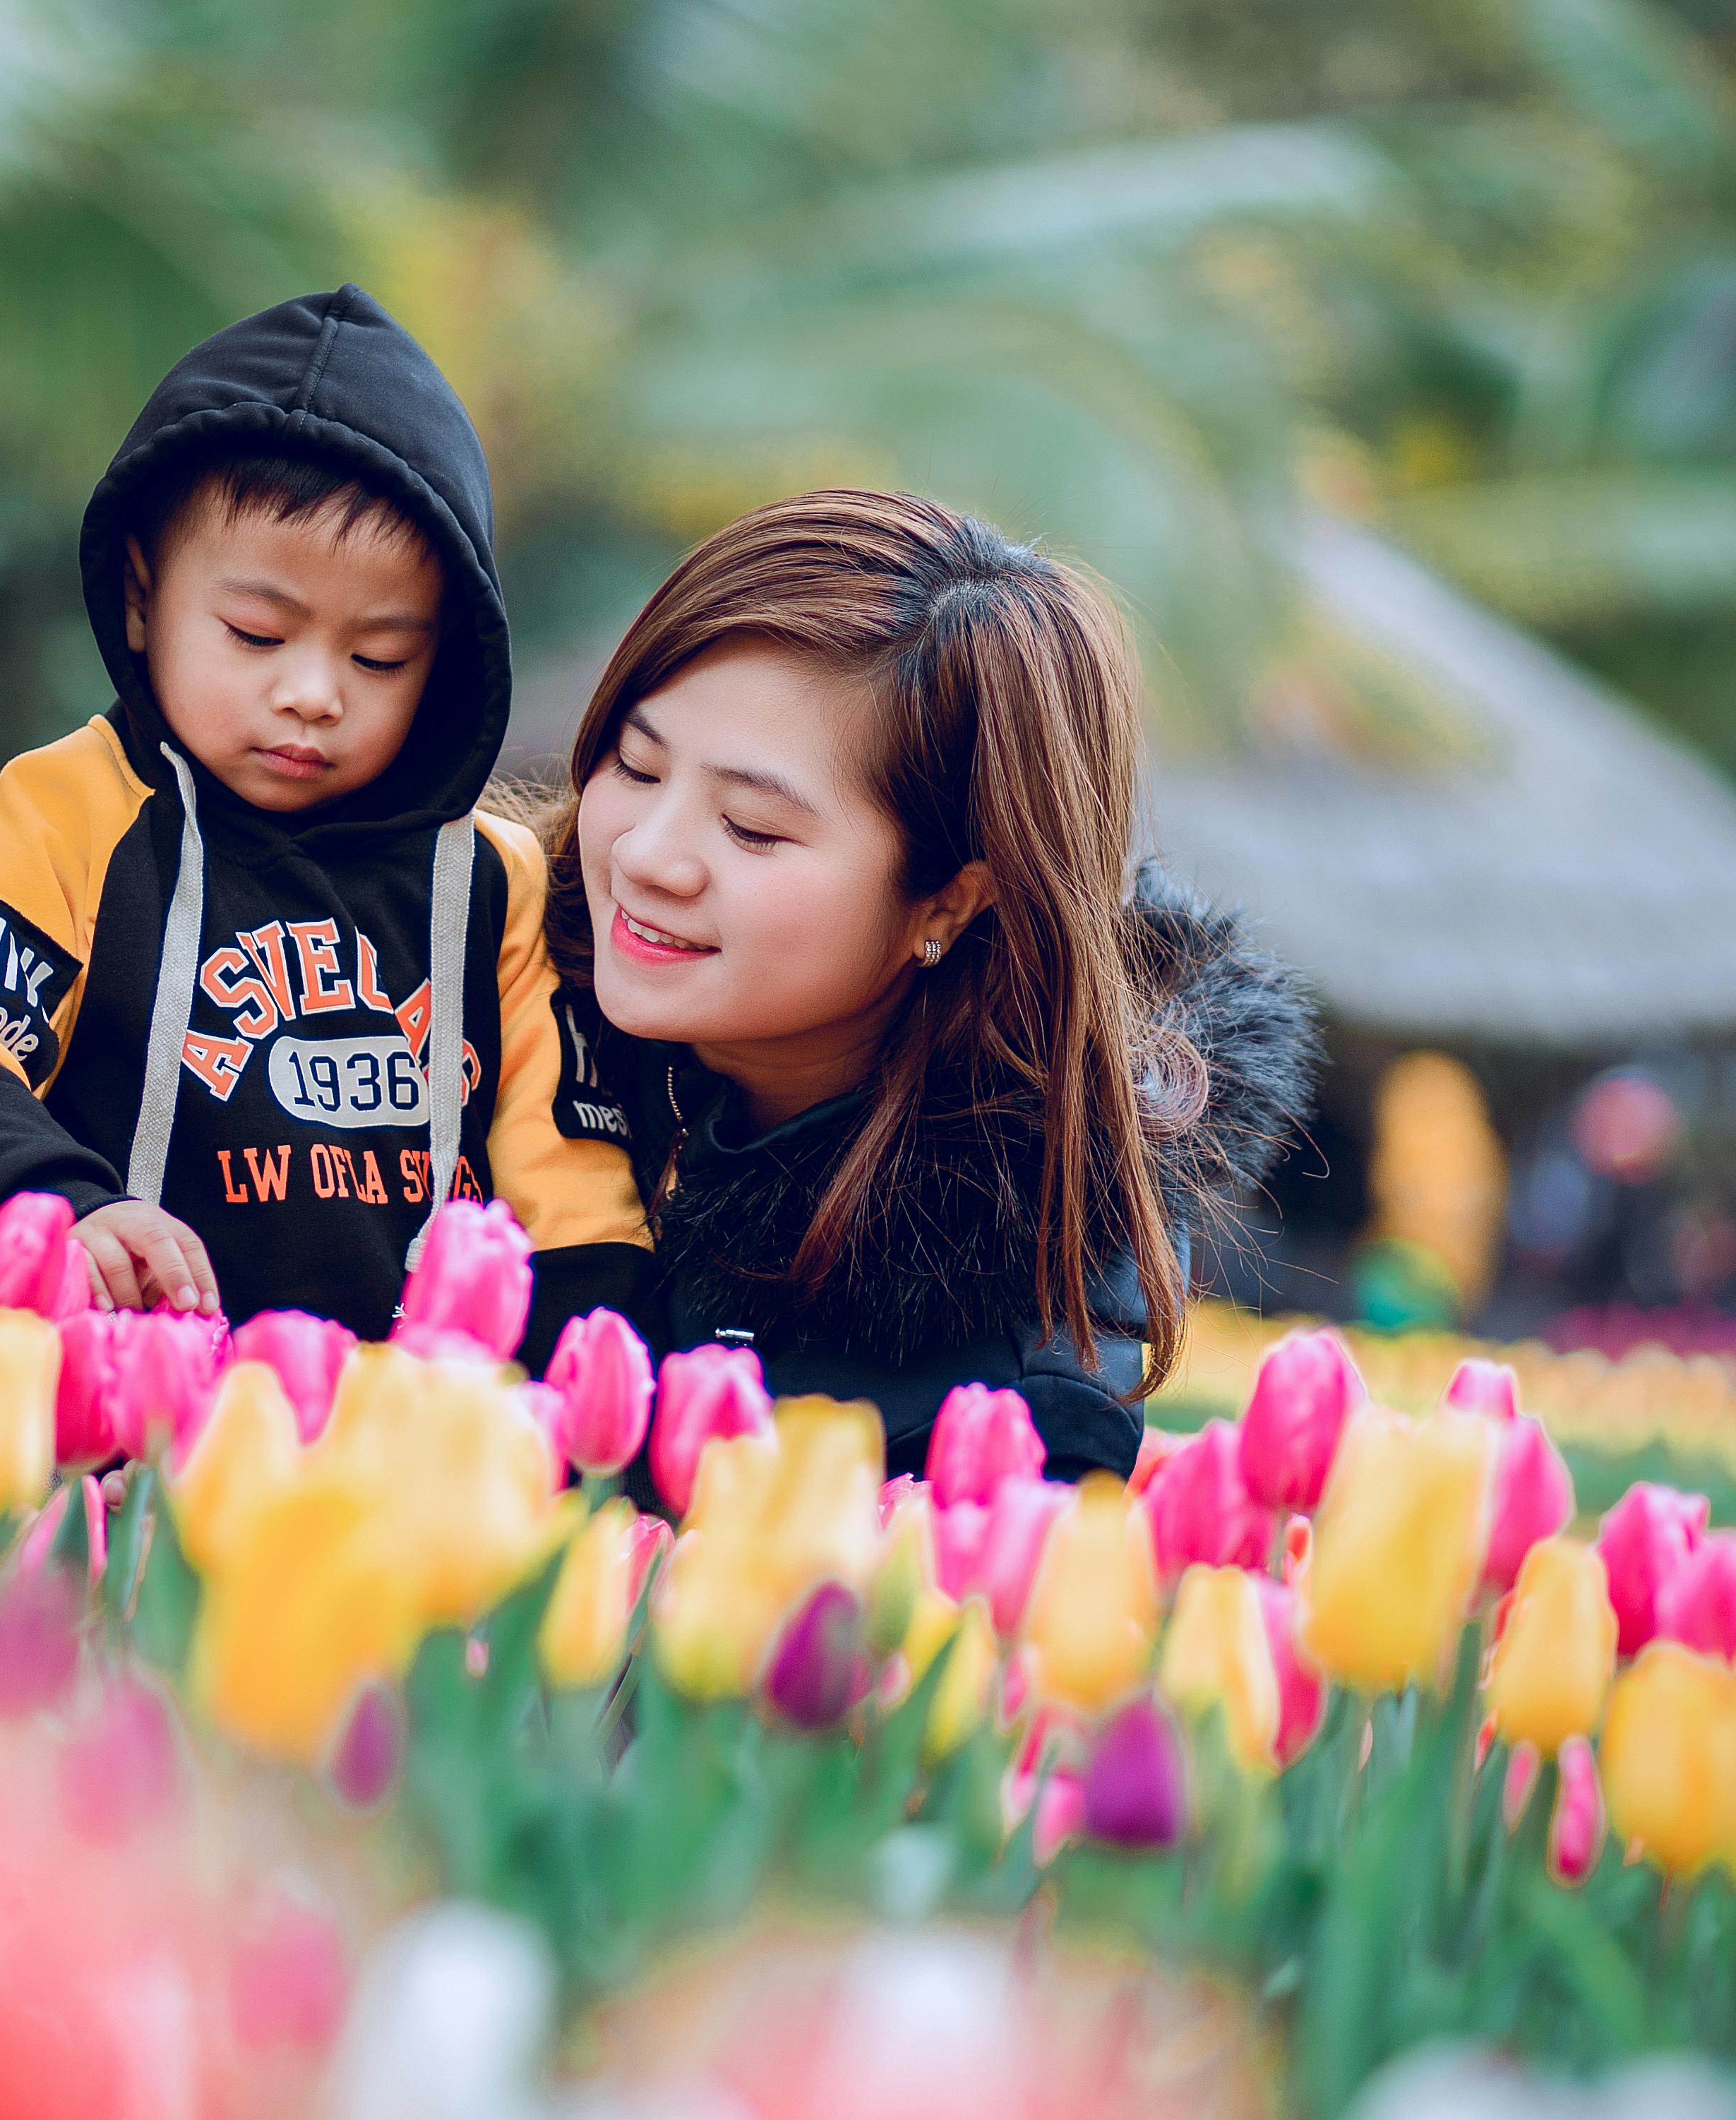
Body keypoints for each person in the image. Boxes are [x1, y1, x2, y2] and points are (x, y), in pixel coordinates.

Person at [0, 285, 650, 1355]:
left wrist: (557, 1414)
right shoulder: (69, 811)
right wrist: (55, 1208)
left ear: (447, 658)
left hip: (391, 1455)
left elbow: (577, 1200)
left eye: (379, 658)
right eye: (256, 635)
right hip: (121, 1413)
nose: (315, 693)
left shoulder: (497, 885)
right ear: (142, 600)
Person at [540, 491, 1315, 1479]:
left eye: (752, 828)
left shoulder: (1007, 1401)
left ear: (948, 902)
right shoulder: (481, 1012)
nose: (648, 856)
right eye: (637, 767)